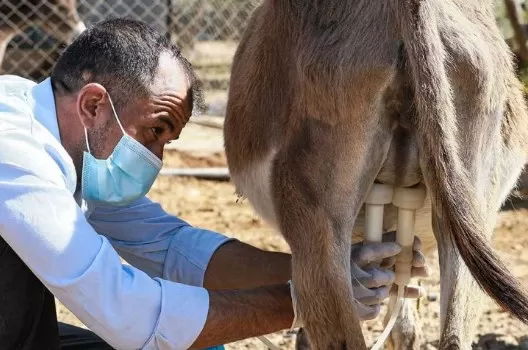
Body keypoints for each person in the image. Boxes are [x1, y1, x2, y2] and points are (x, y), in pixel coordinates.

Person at [0, 18, 429, 350]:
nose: (156, 159)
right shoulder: (15, 154)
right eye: (155, 131)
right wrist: (310, 300)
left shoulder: (62, 136)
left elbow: (171, 247)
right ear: (94, 104)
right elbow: (129, 315)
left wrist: (332, 271)